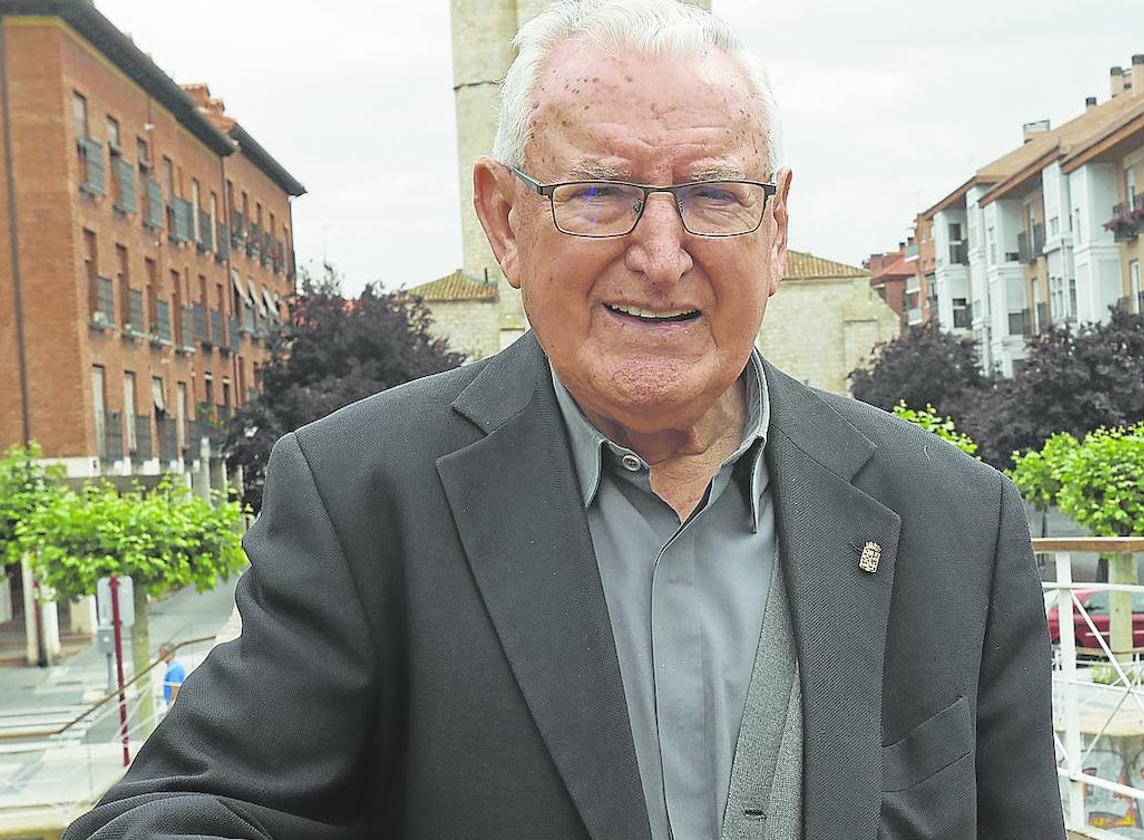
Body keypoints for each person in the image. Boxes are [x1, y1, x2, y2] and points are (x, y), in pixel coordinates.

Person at [65, 1, 1065, 838]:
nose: (662, 253)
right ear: (504, 220)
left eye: (712, 194)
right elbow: (189, 808)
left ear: (776, 225)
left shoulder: (957, 524)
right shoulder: (363, 500)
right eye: (600, 193)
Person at [159, 644, 185, 709]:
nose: (160, 656)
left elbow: (175, 687)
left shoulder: (174, 668)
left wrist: (171, 705)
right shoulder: (172, 667)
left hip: (174, 704)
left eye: (162, 654)